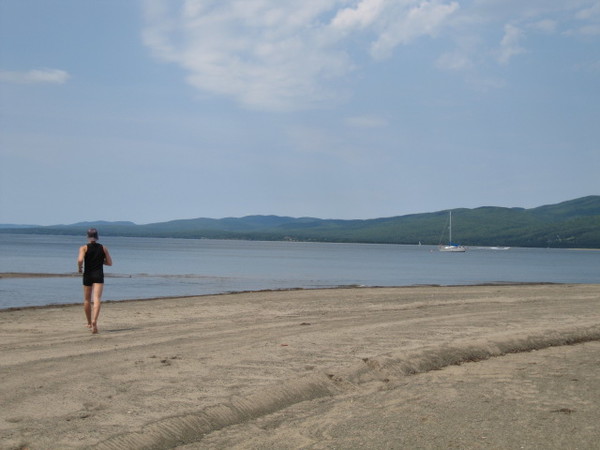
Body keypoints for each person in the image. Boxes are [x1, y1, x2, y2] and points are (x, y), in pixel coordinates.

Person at [77, 228, 112, 334]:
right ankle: (94, 321)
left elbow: (80, 260)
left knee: (87, 299)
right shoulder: (103, 248)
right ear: (97, 237)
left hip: (88, 275)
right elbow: (110, 263)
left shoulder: (84, 248)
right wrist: (101, 262)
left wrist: (80, 268)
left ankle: (88, 322)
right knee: (97, 298)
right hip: (98, 275)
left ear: (88, 236)